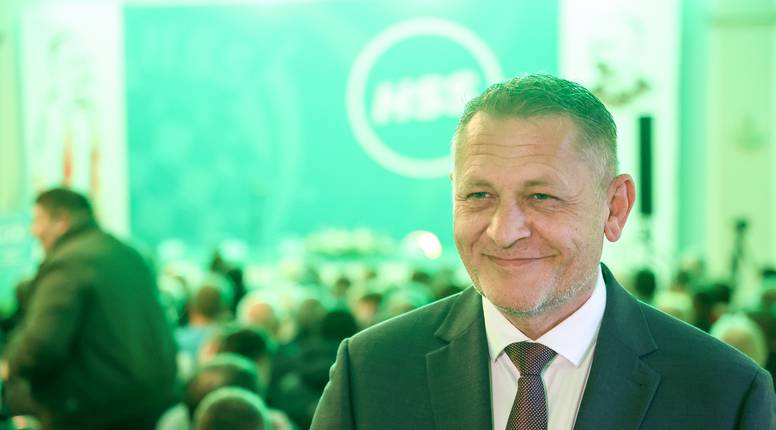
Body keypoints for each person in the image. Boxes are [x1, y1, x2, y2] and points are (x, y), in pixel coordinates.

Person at [310, 74, 776, 429]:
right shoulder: (370, 372)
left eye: (541, 197)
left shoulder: (723, 392)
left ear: (615, 207)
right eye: (479, 195)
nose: (504, 232)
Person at [4, 187, 178, 430]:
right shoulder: (129, 253)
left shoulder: (68, 264)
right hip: (150, 403)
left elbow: (41, 344)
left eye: (38, 220)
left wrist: (10, 365)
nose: (33, 231)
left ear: (62, 220)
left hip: (95, 412)